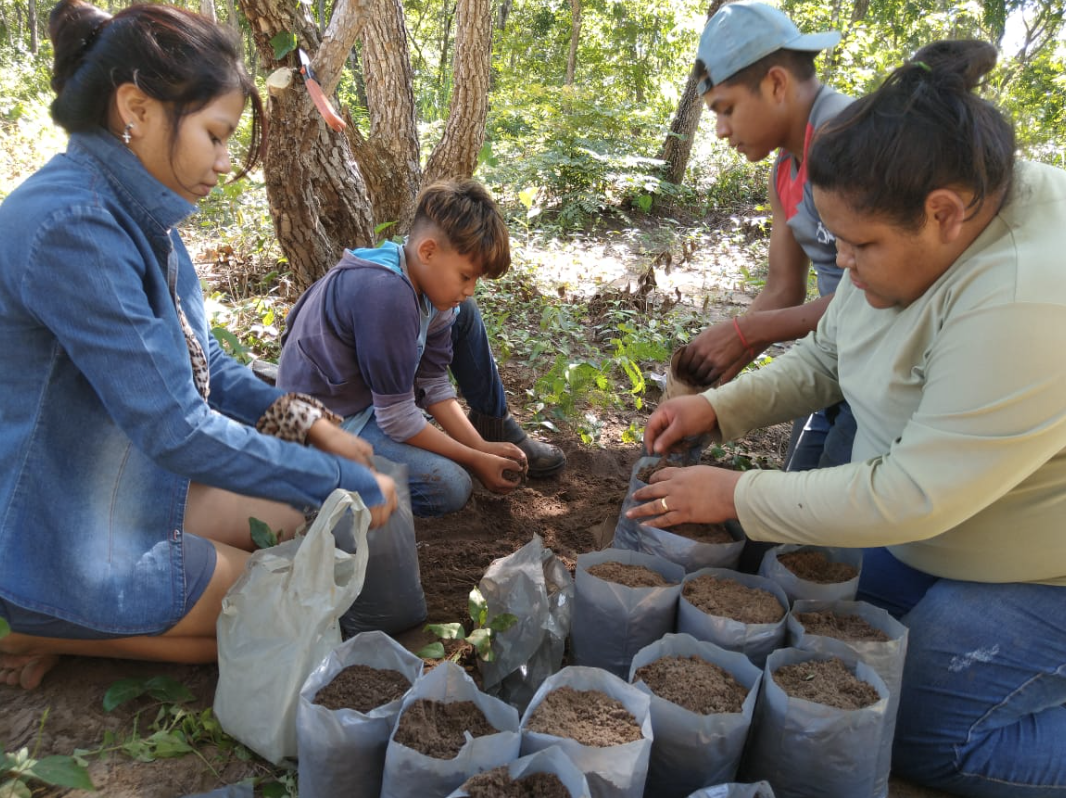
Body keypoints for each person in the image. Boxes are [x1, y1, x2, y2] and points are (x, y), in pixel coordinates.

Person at [628, 39, 1066, 797]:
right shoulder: (907, 230)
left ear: (947, 215)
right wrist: (718, 407)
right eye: (837, 243)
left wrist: (735, 496)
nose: (846, 269)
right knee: (834, 635)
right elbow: (828, 356)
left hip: (1042, 565)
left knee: (921, 734)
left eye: (862, 247)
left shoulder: (1028, 296)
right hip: (947, 532)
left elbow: (912, 492)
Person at [0, 0, 399, 691]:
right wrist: (345, 479)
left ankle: (69, 622)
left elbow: (204, 364)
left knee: (288, 524)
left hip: (109, 476)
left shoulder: (139, 213)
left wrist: (307, 427)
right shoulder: (73, 227)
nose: (222, 162)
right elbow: (173, 427)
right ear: (136, 107)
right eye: (215, 136)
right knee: (267, 618)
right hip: (48, 511)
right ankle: (27, 620)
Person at [275, 179, 566, 517]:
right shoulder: (386, 294)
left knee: (464, 312)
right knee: (449, 486)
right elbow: (397, 417)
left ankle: (487, 428)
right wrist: (472, 458)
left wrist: (480, 445)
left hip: (367, 403)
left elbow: (433, 382)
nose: (470, 289)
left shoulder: (428, 287)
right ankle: (323, 487)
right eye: (465, 276)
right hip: (322, 424)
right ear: (428, 251)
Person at [679, 0, 855, 471]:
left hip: (882, 369)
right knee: (801, 491)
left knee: (836, 523)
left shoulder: (851, 144)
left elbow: (874, 296)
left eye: (727, 109)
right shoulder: (785, 167)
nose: (719, 130)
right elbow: (783, 287)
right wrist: (722, 371)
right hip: (832, 358)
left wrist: (745, 331)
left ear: (776, 83)